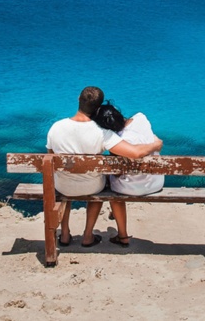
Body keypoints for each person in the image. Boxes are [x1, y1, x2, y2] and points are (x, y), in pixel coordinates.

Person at [46, 86, 163, 248]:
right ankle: (87, 236)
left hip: (64, 186)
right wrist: (156, 144)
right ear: (98, 107)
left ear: (78, 100)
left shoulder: (56, 127)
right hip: (92, 187)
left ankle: (64, 234)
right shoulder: (102, 133)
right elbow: (135, 153)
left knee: (64, 184)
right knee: (102, 185)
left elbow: (51, 157)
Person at [93, 102, 164, 247]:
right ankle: (115, 216)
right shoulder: (141, 118)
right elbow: (149, 137)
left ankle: (123, 236)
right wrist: (156, 144)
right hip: (156, 182)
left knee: (111, 188)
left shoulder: (118, 142)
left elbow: (118, 173)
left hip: (132, 188)